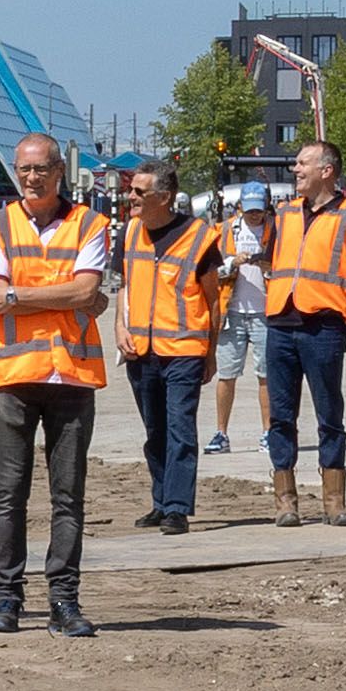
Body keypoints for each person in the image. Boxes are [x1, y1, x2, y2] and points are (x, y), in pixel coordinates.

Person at [0, 130, 108, 637]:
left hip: (72, 376)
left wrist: (19, 296)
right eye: (23, 169)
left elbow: (88, 289)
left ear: (59, 173)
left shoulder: (90, 224)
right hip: (13, 377)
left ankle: (64, 601)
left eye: (40, 169)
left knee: (68, 496)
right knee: (9, 494)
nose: (31, 178)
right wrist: (69, 295)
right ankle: (6, 599)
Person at [260, 136, 346, 526]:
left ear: (326, 171)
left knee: (329, 416)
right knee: (280, 416)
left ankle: (333, 502)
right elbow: (271, 265)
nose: (295, 170)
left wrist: (341, 308)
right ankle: (285, 502)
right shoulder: (284, 213)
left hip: (323, 328)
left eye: (302, 163)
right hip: (281, 325)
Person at [113, 157, 227, 535]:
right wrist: (119, 327)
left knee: (180, 429)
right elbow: (124, 287)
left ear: (165, 197)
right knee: (155, 432)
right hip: (140, 350)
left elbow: (213, 301)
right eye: (131, 189)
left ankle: (177, 507)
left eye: (139, 192)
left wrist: (210, 353)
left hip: (183, 351)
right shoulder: (129, 233)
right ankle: (161, 502)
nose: (131, 197)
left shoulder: (199, 238)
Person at [204, 181, 269, 453]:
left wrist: (268, 265)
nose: (255, 215)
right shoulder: (225, 230)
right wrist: (232, 262)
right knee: (227, 374)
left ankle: (269, 432)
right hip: (232, 311)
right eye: (250, 210)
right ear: (240, 206)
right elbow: (208, 269)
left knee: (267, 375)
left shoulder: (275, 231)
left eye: (259, 210)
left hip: (266, 312)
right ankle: (221, 433)